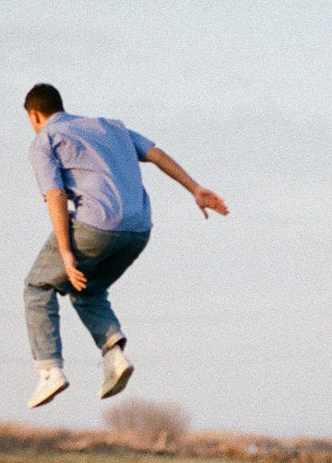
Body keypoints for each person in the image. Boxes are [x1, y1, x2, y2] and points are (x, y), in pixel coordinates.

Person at [22, 83, 228, 408]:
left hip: (96, 225)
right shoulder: (110, 127)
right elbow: (155, 154)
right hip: (138, 230)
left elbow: (56, 195)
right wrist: (194, 188)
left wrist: (65, 252)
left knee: (38, 285)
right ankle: (114, 356)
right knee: (87, 289)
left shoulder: (44, 140)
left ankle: (49, 370)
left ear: (35, 115)